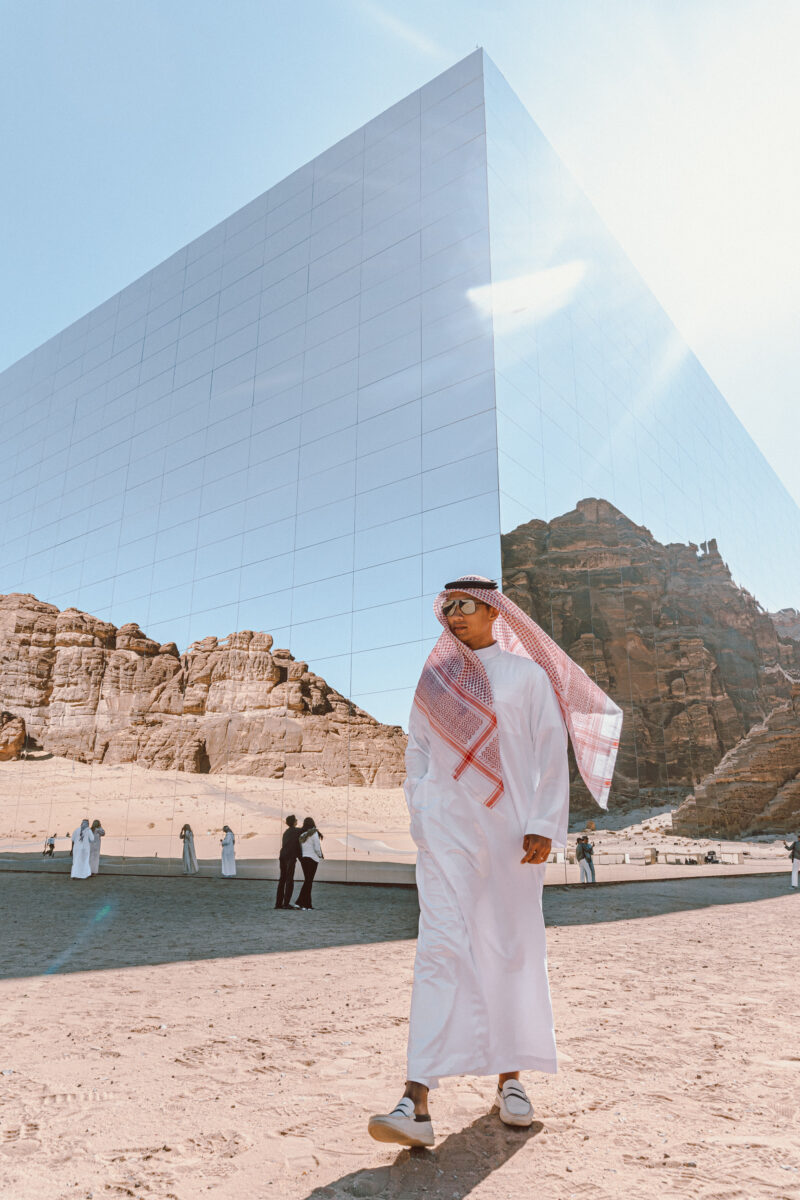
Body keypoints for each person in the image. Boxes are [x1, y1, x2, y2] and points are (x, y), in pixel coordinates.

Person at [368, 575, 621, 1148]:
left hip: (510, 835)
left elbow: (550, 749)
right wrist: (422, 805)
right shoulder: (435, 681)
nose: (454, 616)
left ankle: (511, 1080)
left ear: (494, 612)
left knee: (510, 949)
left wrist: (542, 822)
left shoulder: (527, 676)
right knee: (438, 951)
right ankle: (416, 1097)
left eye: (465, 606)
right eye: (447, 608)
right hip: (445, 835)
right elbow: (417, 748)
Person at [294, 817, 324, 910]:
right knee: (308, 882)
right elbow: (317, 847)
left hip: (304, 859)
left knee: (308, 881)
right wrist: (320, 855)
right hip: (312, 859)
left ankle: (307, 904)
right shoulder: (314, 833)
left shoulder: (303, 834)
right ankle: (300, 903)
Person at [276, 815, 302, 909]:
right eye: (296, 820)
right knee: (289, 880)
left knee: (282, 879)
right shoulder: (296, 831)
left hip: (282, 856)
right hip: (290, 857)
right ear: (294, 822)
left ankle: (278, 903)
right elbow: (305, 831)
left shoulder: (286, 832)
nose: (297, 821)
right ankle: (286, 903)